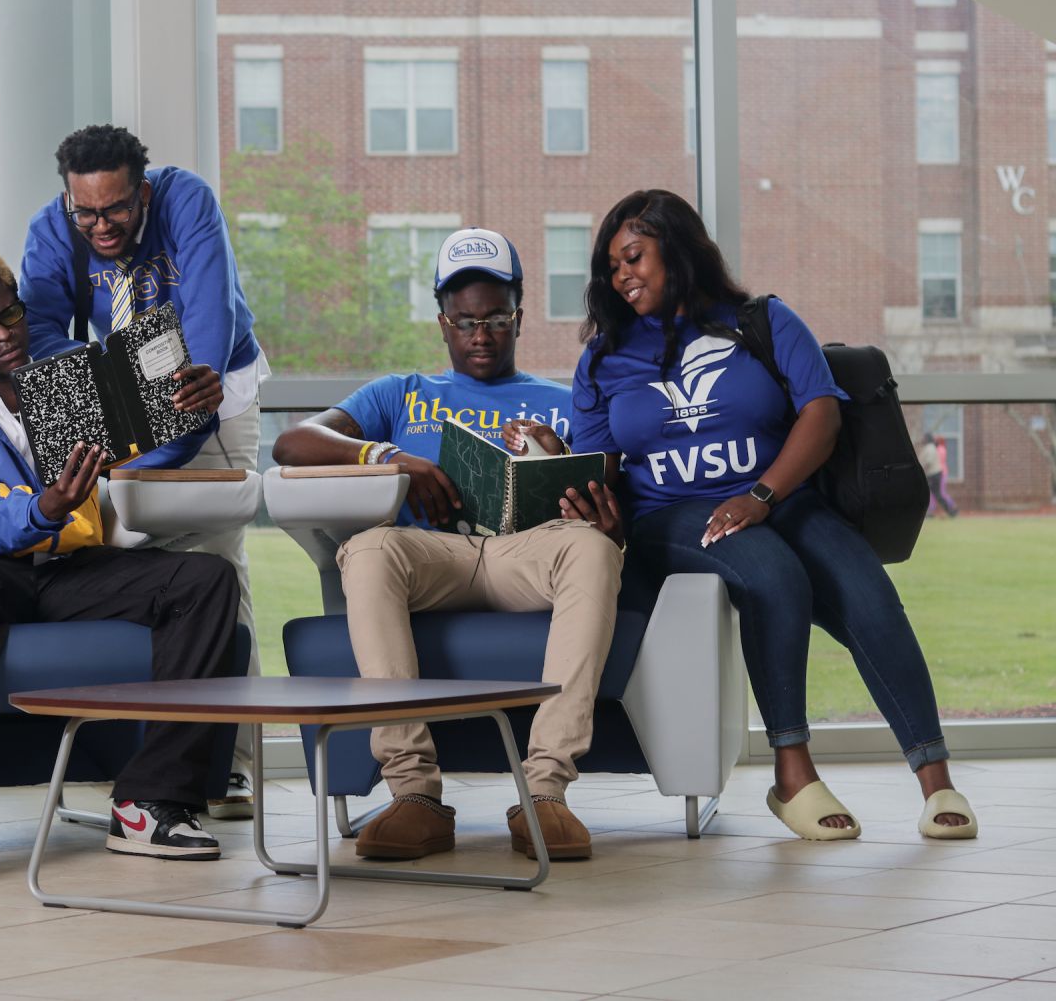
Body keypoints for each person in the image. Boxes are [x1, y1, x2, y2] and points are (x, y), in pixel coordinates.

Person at [568, 189, 977, 842]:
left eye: (635, 257)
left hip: (778, 499)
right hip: (670, 518)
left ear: (679, 250)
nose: (622, 275)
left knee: (868, 592)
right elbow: (596, 467)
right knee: (773, 575)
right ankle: (793, 774)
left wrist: (761, 495)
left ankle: (936, 779)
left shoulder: (760, 321)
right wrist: (578, 490)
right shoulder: (602, 358)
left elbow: (822, 412)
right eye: (612, 266)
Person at [0, 245, 240, 879]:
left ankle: (151, 803)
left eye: (9, 314)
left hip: (69, 569)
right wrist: (45, 506)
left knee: (206, 581)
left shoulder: (77, 368)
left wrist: (199, 402)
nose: (5, 336)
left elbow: (154, 442)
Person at [271, 228, 623, 862]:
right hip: (435, 557)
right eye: (465, 321)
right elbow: (294, 443)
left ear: (519, 316)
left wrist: (562, 466)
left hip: (527, 553)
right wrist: (393, 458)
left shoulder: (565, 401)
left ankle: (545, 792)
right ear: (442, 323)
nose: (481, 335)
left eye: (495, 319)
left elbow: (612, 507)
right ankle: (414, 794)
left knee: (594, 551)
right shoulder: (402, 393)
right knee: (372, 549)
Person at [19, 124, 267, 819]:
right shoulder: (52, 226)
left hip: (215, 381)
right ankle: (148, 747)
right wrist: (110, 391)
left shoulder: (187, 201)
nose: (101, 225)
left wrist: (179, 410)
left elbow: (208, 319)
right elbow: (37, 332)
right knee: (148, 574)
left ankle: (234, 760)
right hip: (123, 386)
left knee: (216, 558)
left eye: (117, 210)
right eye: (86, 212)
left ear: (143, 192)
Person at [918, 432, 959, 517]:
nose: (922, 439)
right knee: (935, 494)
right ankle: (949, 511)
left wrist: (921, 469)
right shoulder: (930, 447)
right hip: (934, 474)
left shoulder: (930, 448)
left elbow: (928, 461)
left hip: (933, 474)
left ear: (927, 439)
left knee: (936, 494)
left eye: (924, 438)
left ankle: (950, 511)